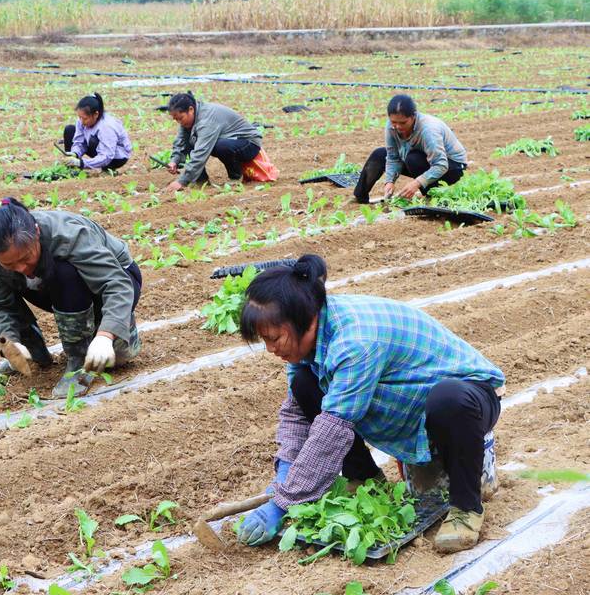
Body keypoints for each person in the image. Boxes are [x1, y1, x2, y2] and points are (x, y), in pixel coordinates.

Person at [234, 254, 504, 553]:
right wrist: (286, 472)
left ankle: (467, 508)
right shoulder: (310, 335)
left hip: (471, 398)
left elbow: (331, 431)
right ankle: (364, 480)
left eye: (275, 338)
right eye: (265, 340)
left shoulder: (355, 342)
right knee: (304, 384)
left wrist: (282, 503)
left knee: (449, 400)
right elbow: (297, 412)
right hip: (409, 400)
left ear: (304, 321)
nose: (270, 349)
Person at [0, 198, 142, 398]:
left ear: (36, 232)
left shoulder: (68, 235)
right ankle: (30, 349)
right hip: (54, 285)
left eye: (26, 258)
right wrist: (8, 341)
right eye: (9, 264)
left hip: (119, 280)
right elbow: (1, 304)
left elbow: (117, 284)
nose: (21, 269)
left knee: (63, 270)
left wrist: (105, 336)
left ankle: (80, 358)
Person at [354, 94, 468, 204]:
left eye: (403, 123)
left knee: (413, 159)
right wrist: (389, 181)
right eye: (394, 122)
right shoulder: (391, 127)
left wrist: (417, 183)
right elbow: (393, 157)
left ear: (413, 116)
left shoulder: (428, 130)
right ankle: (360, 196)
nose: (398, 126)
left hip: (452, 167)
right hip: (423, 160)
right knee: (379, 154)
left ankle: (432, 195)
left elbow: (441, 165)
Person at [164, 92, 263, 193]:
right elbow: (181, 142)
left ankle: (235, 176)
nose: (179, 122)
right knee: (192, 140)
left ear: (191, 109)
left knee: (219, 146)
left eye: (180, 118)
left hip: (249, 144)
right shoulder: (189, 118)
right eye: (176, 120)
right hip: (230, 140)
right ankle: (201, 180)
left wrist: (181, 181)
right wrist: (174, 161)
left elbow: (200, 153)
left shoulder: (206, 120)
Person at [62, 93, 132, 172]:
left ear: (96, 114)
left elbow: (107, 156)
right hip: (97, 148)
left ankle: (107, 169)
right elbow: (79, 142)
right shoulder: (82, 120)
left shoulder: (106, 126)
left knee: (93, 139)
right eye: (79, 117)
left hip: (115, 158)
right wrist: (75, 153)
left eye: (85, 118)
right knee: (70, 130)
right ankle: (71, 168)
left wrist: (81, 163)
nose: (81, 121)